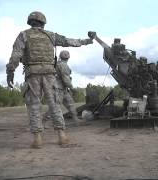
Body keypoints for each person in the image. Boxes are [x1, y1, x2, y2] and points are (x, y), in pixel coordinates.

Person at [6, 11, 93, 148]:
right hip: (49, 74)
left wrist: (10, 71)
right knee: (54, 105)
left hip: (32, 74)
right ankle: (62, 137)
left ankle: (37, 139)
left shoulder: (24, 35)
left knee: (34, 105)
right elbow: (69, 41)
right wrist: (88, 41)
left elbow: (16, 55)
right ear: (43, 23)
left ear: (30, 22)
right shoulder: (51, 35)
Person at [43, 50, 80, 127]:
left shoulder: (59, 64)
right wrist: (72, 88)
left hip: (63, 89)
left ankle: (76, 120)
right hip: (58, 89)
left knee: (71, 104)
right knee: (55, 106)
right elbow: (66, 79)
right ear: (68, 57)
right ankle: (44, 121)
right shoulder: (63, 65)